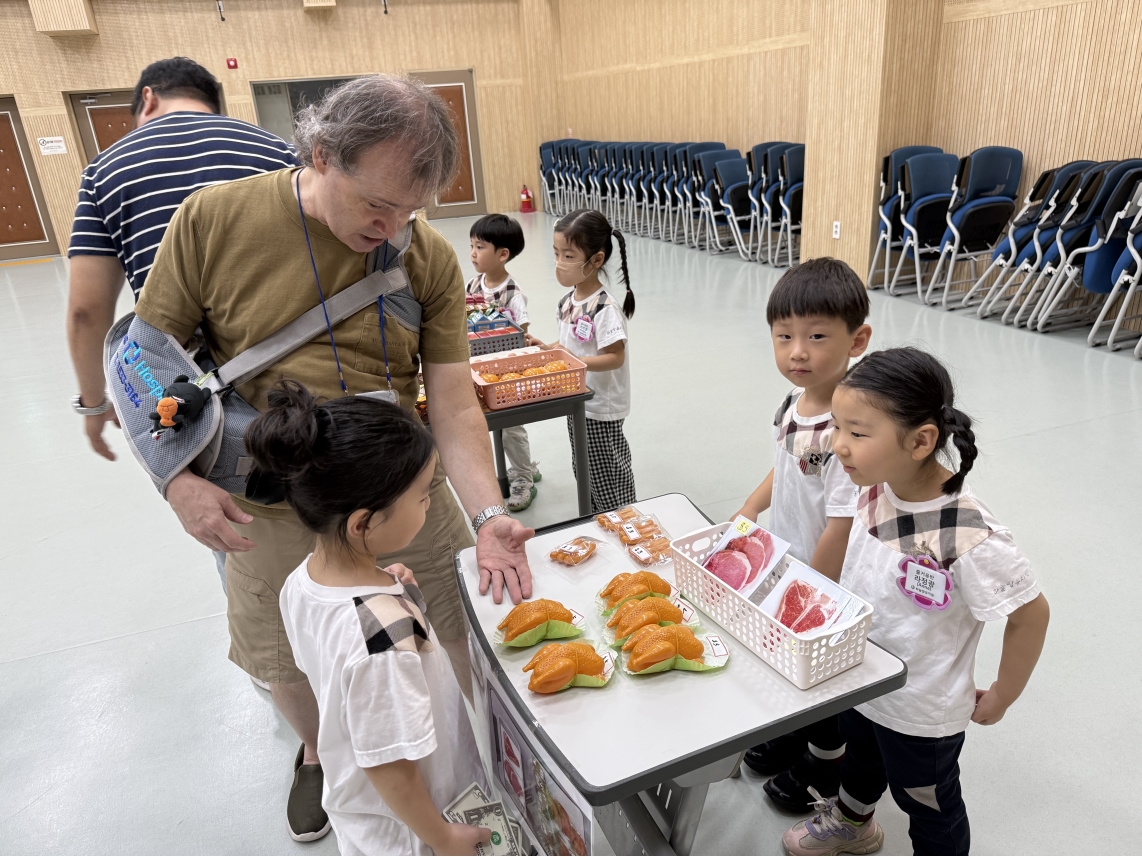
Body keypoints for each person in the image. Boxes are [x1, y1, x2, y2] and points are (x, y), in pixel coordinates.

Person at [131, 75, 533, 842]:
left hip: (405, 493)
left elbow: (450, 404)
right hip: (272, 496)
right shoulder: (215, 220)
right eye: (375, 204)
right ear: (320, 153)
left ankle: (466, 763)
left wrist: (488, 514)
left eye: (408, 213)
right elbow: (146, 364)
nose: (388, 228)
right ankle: (319, 748)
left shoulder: (426, 258)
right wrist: (175, 478)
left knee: (456, 627)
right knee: (281, 654)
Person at [783, 347, 1050, 856]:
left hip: (922, 710)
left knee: (926, 801)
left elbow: (1031, 614)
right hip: (864, 675)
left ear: (922, 441)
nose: (839, 445)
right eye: (838, 427)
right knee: (860, 759)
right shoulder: (873, 489)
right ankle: (853, 825)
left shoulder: (967, 534)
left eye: (857, 433)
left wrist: (1004, 694)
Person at [250, 380, 491, 855]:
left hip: (363, 810)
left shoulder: (304, 581)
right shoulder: (381, 639)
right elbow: (389, 765)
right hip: (417, 828)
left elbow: (337, 658)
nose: (429, 504)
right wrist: (443, 838)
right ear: (363, 523)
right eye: (422, 496)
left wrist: (393, 592)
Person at [66, 57, 298, 464]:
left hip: (186, 386)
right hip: (292, 368)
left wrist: (94, 402)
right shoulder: (276, 150)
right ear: (211, 103)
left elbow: (87, 310)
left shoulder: (104, 170)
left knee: (227, 502)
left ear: (149, 98)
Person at [733, 258, 871, 811]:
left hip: (825, 574)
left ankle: (826, 760)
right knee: (790, 665)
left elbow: (842, 521)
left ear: (857, 339)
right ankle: (796, 732)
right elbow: (785, 466)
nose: (797, 351)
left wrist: (816, 590)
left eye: (817, 337)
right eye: (784, 336)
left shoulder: (847, 430)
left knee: (823, 673)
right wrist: (748, 510)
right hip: (790, 560)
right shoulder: (793, 404)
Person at [528, 208, 636, 513]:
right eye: (556, 253)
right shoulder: (567, 302)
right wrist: (547, 347)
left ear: (596, 260)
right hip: (577, 398)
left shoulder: (604, 308)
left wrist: (579, 361)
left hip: (602, 406)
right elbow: (570, 343)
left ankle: (623, 519)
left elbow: (615, 357)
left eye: (569, 255)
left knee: (608, 472)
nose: (560, 263)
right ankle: (597, 518)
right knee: (584, 466)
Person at [467, 214, 542, 512]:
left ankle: (524, 477)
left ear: (502, 254)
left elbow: (523, 333)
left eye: (480, 247)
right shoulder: (474, 284)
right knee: (489, 425)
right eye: (471, 245)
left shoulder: (513, 293)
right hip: (480, 368)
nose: (472, 252)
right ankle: (522, 467)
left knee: (511, 427)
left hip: (508, 372)